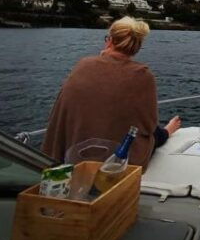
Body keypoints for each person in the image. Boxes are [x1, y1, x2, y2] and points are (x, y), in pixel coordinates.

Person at [42, 16, 181, 170]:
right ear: (137, 46)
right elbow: (149, 127)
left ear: (110, 40)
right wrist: (167, 132)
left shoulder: (82, 65)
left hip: (72, 155)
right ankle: (169, 130)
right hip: (119, 163)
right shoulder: (143, 75)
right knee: (155, 135)